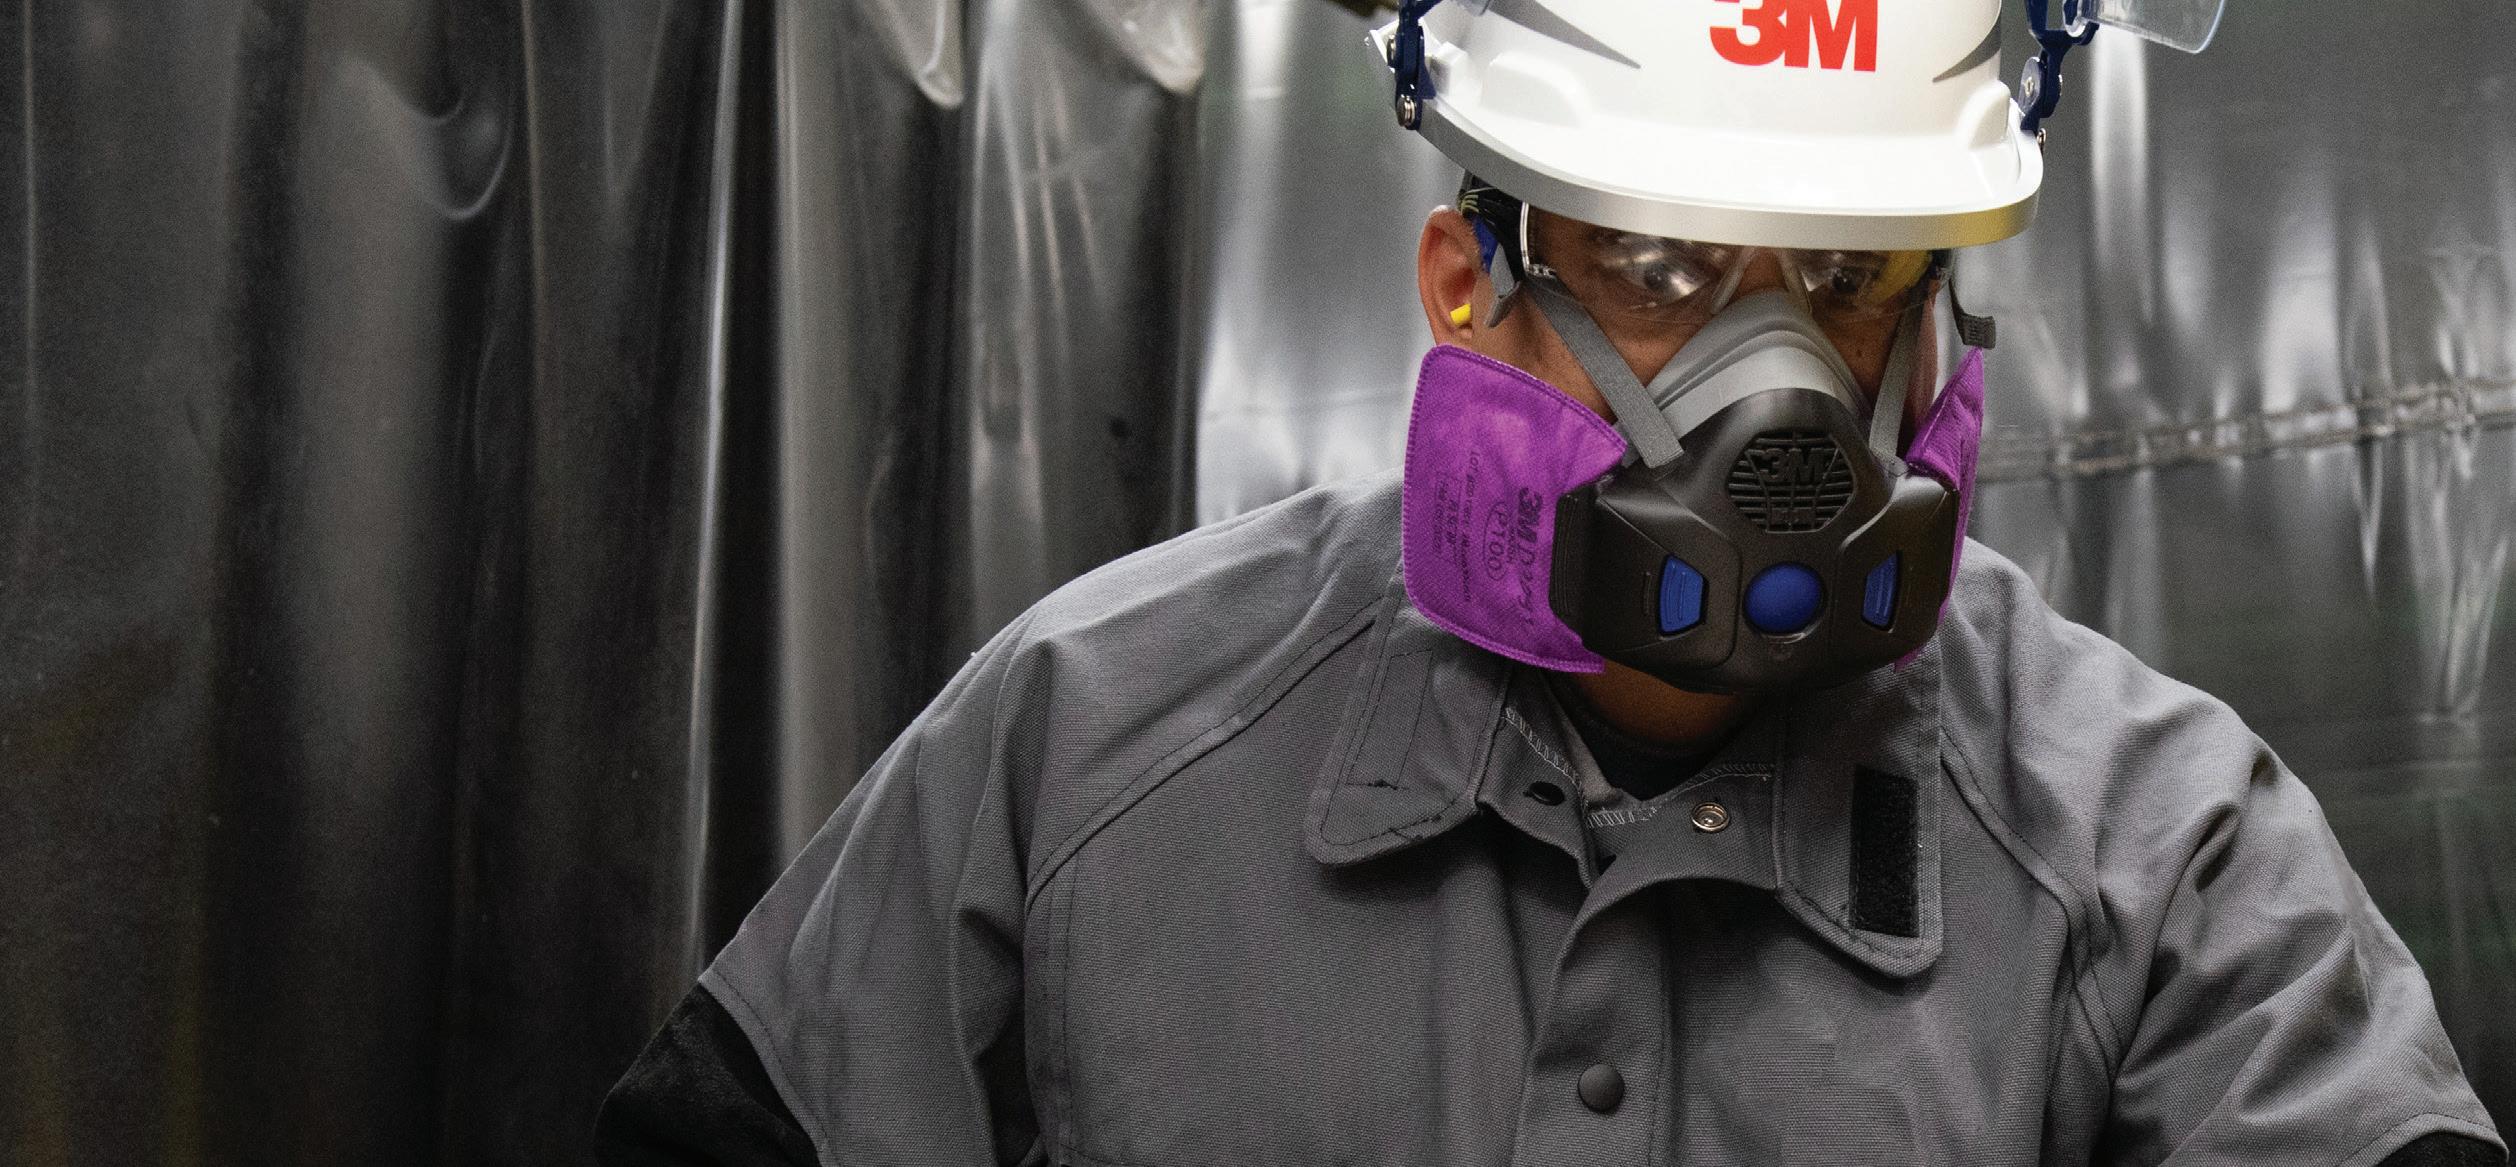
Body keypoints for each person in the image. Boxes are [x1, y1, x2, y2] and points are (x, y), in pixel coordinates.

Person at [596, 1, 2505, 1162]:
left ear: (1936, 318)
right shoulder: (1087, 747)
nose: (1773, 395)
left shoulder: (2158, 849)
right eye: (1661, 273)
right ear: (1467, 284)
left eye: (1848, 282)